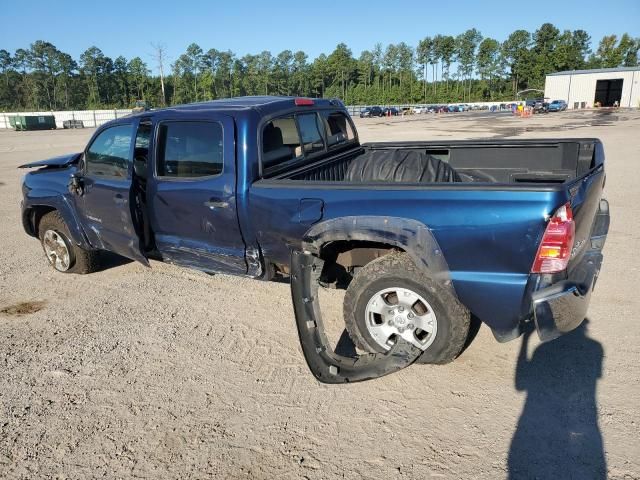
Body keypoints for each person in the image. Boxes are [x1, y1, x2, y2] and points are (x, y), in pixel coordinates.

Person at [508, 320, 606, 479]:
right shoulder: (596, 347)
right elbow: (596, 376)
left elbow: (519, 385)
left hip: (537, 421)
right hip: (584, 425)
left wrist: (526, 339)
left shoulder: (542, 349)